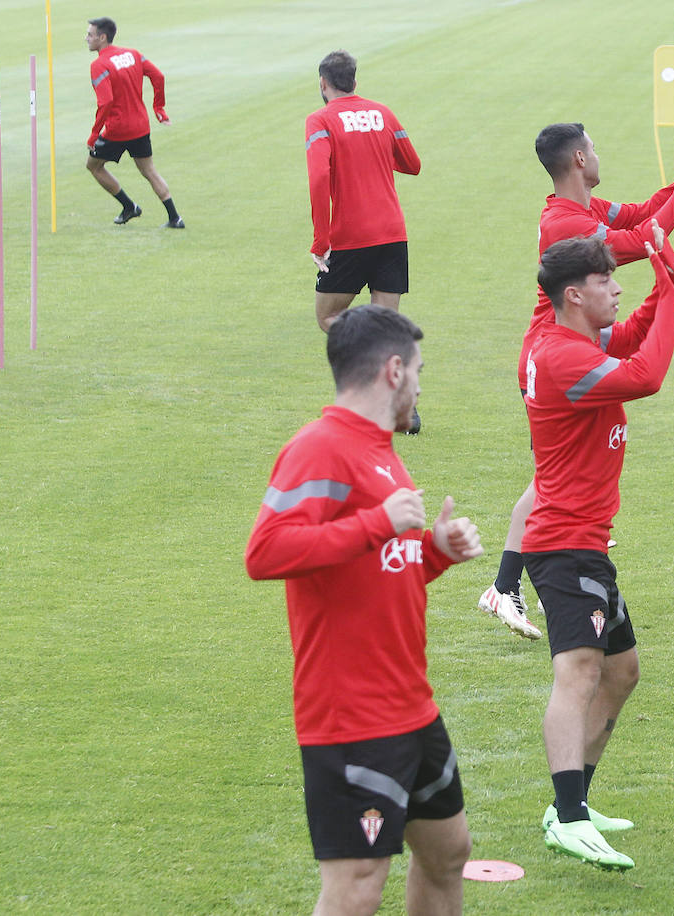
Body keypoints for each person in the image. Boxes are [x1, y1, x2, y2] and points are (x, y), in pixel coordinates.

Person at [245, 305, 481, 915]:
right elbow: (266, 551)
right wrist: (379, 522)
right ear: (394, 370)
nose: (423, 386)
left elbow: (378, 567)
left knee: (449, 852)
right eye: (421, 371)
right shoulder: (319, 449)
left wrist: (434, 552)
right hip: (351, 717)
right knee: (356, 885)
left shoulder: (380, 450)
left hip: (410, 705)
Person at [476, 119, 674, 640]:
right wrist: (663, 265)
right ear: (579, 159)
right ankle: (510, 584)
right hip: (559, 352)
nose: (599, 154)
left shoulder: (582, 210)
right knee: (551, 479)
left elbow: (645, 216)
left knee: (551, 477)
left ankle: (513, 583)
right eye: (595, 148)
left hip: (573, 342)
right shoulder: (565, 223)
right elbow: (641, 239)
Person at [524, 222, 674, 871]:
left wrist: (660, 291)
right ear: (572, 295)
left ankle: (575, 802)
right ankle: (568, 817)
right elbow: (646, 376)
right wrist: (668, 290)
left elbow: (633, 337)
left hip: (585, 544)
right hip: (565, 546)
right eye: (606, 281)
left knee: (621, 670)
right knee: (579, 672)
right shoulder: (564, 358)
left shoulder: (563, 338)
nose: (618, 288)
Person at [306, 50, 420, 333]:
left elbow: (319, 177)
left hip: (351, 236)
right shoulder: (383, 113)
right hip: (393, 233)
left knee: (327, 317)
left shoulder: (320, 120)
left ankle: (362, 354)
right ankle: (378, 365)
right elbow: (413, 165)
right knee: (384, 325)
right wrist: (372, 153)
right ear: (354, 83)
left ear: (323, 83)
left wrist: (321, 241)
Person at [84, 17, 183, 228]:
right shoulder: (133, 54)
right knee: (149, 171)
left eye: (90, 35)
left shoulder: (99, 65)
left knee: (94, 166)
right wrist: (158, 108)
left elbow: (106, 102)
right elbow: (158, 76)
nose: (87, 39)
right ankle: (175, 217)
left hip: (117, 130)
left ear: (102, 37)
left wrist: (94, 135)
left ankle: (129, 207)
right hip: (140, 126)